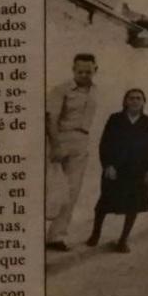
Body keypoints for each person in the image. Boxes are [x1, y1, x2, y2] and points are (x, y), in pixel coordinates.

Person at [86, 89, 148, 253]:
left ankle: (123, 240)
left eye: (139, 98)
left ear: (143, 102)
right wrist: (108, 165)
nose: (135, 101)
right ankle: (95, 234)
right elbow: (105, 143)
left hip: (137, 170)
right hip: (116, 168)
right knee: (104, 203)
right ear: (125, 101)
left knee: (133, 206)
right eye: (131, 98)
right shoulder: (115, 119)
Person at [46, 53, 99, 252]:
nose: (84, 75)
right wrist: (56, 145)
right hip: (60, 139)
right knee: (51, 189)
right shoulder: (61, 90)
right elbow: (51, 118)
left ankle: (57, 236)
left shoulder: (95, 91)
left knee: (72, 191)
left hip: (81, 142)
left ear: (95, 70)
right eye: (80, 71)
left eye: (89, 71)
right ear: (73, 70)